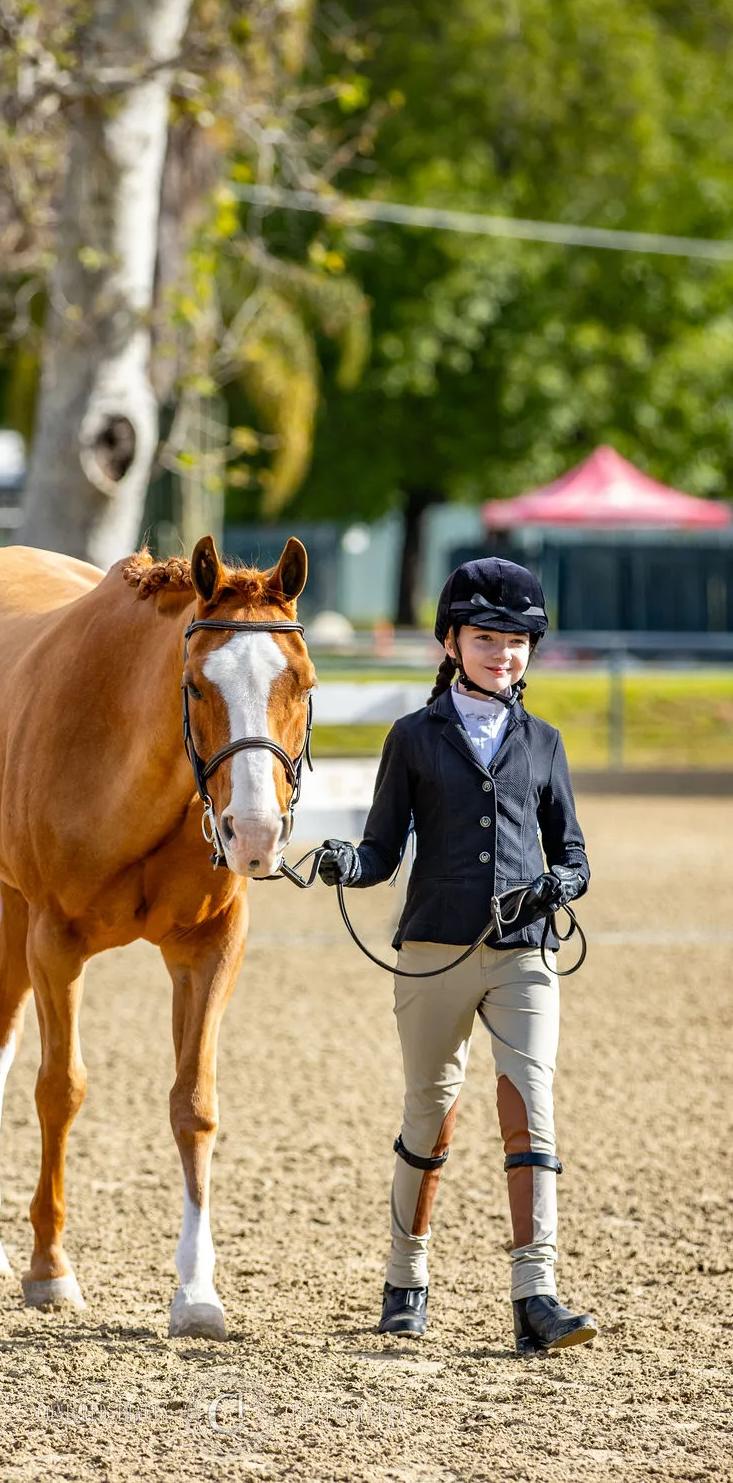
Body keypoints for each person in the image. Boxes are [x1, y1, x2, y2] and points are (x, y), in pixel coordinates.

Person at [319, 558, 596, 1355]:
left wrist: (554, 888)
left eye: (516, 642)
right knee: (428, 1116)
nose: (502, 654)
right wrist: (342, 862)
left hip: (523, 955)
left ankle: (535, 1294)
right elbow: (380, 850)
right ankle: (406, 1278)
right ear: (450, 642)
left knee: (530, 1109)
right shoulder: (411, 737)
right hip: (434, 947)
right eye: (485, 639)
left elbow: (573, 853)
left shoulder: (545, 742)